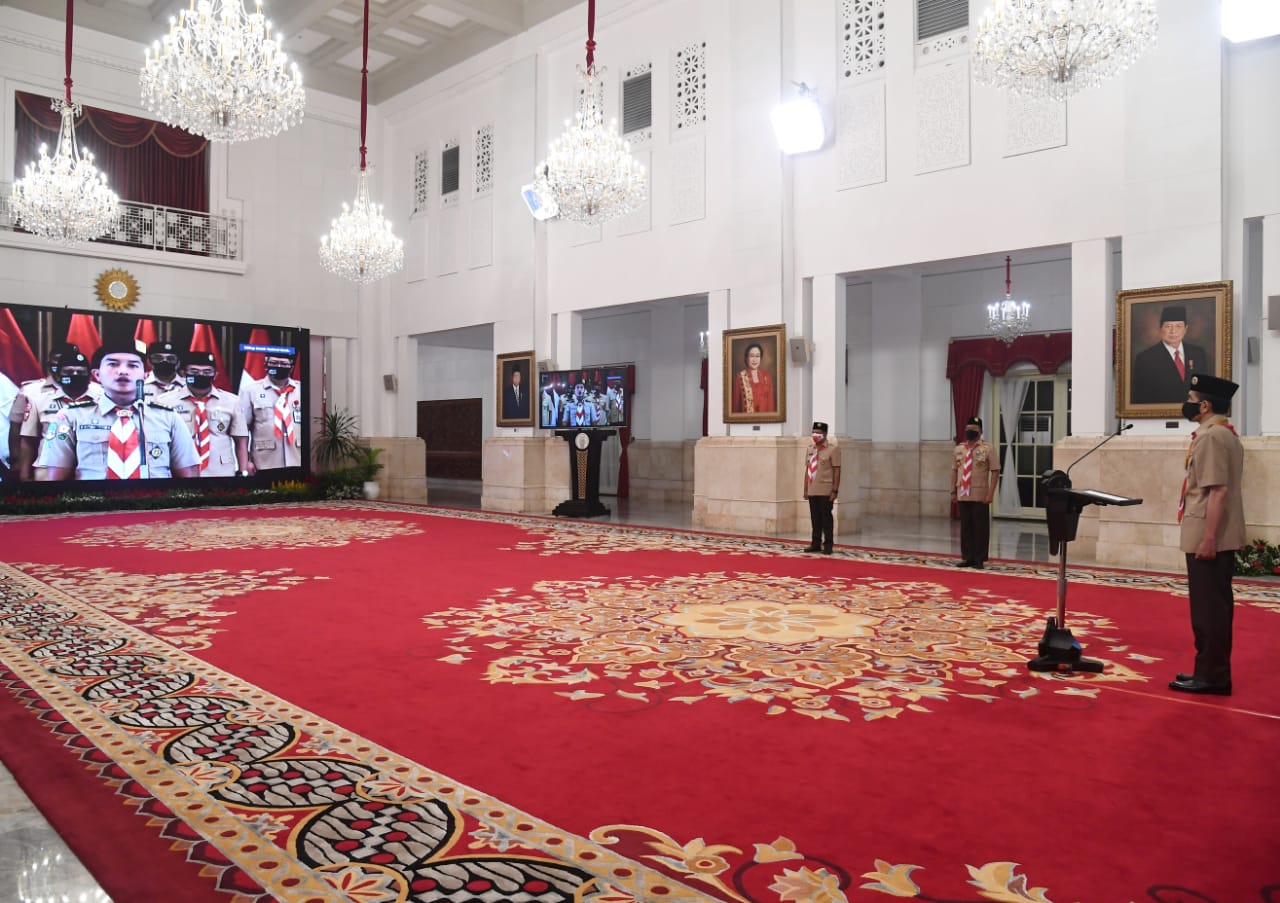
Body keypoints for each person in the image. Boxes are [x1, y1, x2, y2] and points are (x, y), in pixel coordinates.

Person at [1169, 373, 1244, 696]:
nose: (1186, 404)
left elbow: (1217, 491)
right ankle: (1210, 670)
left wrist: (1209, 538)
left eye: (1191, 399)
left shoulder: (1212, 437)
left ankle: (1212, 676)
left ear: (1205, 405)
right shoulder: (1222, 433)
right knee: (1212, 607)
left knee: (1209, 611)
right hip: (1212, 532)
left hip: (1210, 534)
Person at [44, 343, 199, 480]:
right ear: (97, 375)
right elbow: (56, 478)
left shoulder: (168, 417)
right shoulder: (70, 416)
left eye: (132, 365)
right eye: (113, 364)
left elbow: (189, 475)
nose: (123, 371)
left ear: (145, 376)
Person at [158, 351, 249, 477]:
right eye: (194, 372)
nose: (201, 375)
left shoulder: (232, 401)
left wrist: (243, 472)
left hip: (221, 472)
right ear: (183, 373)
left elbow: (241, 441)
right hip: (180, 471)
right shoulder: (165, 402)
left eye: (207, 372)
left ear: (215, 375)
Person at [20, 347, 101, 481]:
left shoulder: (102, 399)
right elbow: (28, 440)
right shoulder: (39, 401)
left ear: (89, 376)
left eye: (81, 372)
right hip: (49, 470)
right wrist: (24, 475)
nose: (75, 375)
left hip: (90, 471)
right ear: (58, 375)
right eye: (69, 372)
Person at [7, 344, 80, 480]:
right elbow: (17, 429)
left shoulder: (96, 392)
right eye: (57, 363)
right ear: (49, 364)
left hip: (86, 470)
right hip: (47, 469)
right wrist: (18, 465)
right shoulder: (30, 391)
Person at [238, 348, 302, 473]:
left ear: (291, 367)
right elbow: (241, 431)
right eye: (274, 363)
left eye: (284, 364)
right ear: (265, 365)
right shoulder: (250, 391)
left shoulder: (301, 390)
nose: (279, 366)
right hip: (264, 462)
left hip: (297, 460)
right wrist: (246, 461)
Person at [1131, 305, 1209, 404]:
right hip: (1161, 411)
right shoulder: (1145, 358)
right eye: (1168, 326)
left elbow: (1205, 390)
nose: (1173, 331)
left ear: (1185, 329)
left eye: (1178, 326)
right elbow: (1141, 398)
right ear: (1160, 329)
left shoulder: (1198, 353)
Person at [951, 416, 999, 569]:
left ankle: (979, 558)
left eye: (974, 430)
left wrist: (990, 493)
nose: (970, 432)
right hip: (963, 493)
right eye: (968, 429)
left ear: (981, 431)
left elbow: (995, 471)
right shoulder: (959, 449)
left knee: (980, 528)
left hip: (980, 494)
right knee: (965, 528)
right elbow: (954, 471)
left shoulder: (988, 449)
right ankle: (967, 557)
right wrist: (953, 491)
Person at [802, 421, 841, 554]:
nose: (815, 435)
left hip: (825, 489)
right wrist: (805, 489)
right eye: (814, 432)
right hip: (812, 488)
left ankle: (828, 544)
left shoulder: (833, 449)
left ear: (825, 434)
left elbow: (837, 471)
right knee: (815, 518)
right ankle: (815, 543)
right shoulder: (810, 449)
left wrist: (835, 490)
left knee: (826, 518)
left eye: (818, 433)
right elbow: (807, 470)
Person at [732, 342, 776, 414]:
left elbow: (770, 405)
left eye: (757, 356)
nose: (754, 360)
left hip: (765, 419)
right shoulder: (739, 378)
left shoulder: (767, 376)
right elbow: (735, 408)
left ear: (760, 358)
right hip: (746, 420)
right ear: (747, 358)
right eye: (751, 356)